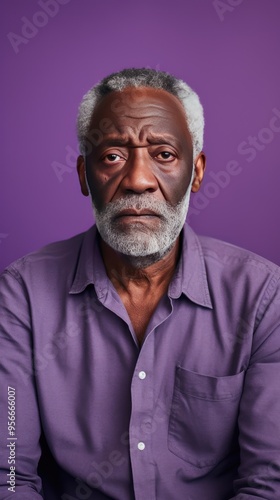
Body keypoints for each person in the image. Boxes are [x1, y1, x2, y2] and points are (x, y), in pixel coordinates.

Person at [0, 68, 280, 500]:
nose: (137, 180)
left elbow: (268, 483)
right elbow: (11, 476)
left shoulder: (262, 298)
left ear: (197, 171)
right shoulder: (22, 295)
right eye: (112, 155)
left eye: (164, 154)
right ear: (82, 175)